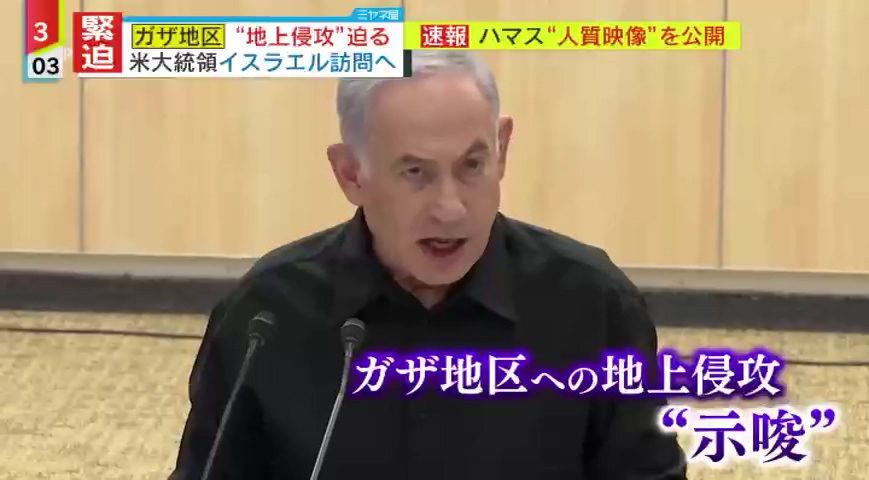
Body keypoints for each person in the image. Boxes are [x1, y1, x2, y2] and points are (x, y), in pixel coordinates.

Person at [170, 50, 688, 479]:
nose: (450, 208)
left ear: (502, 149)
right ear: (351, 173)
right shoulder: (266, 317)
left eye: (472, 166)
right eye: (415, 172)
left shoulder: (591, 306)